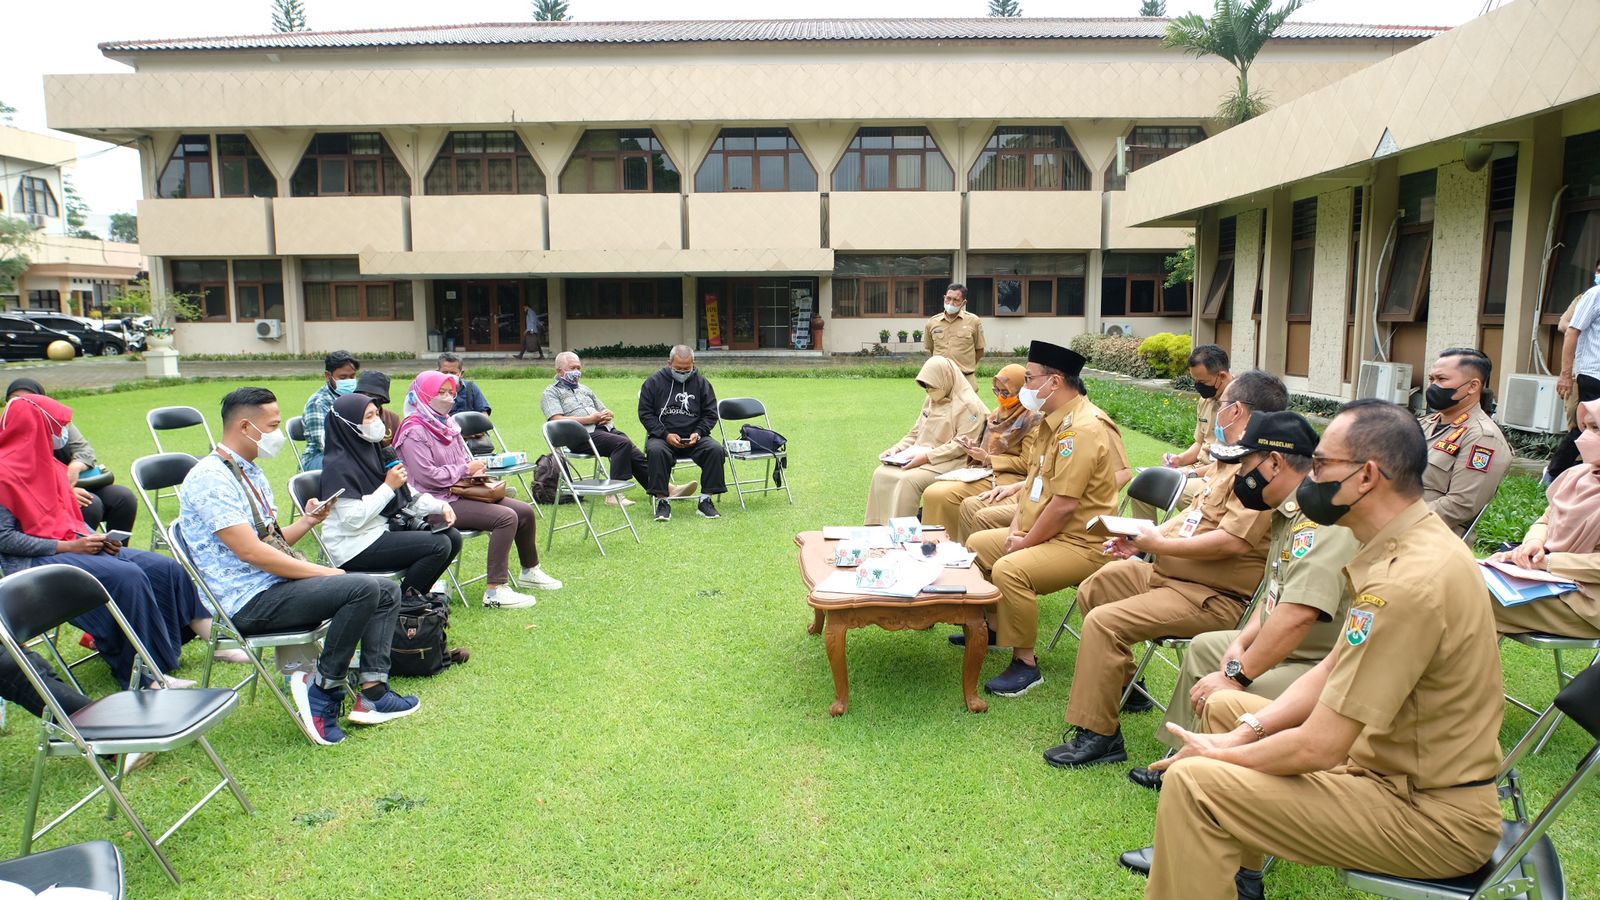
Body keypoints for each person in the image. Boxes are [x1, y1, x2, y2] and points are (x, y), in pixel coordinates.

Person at [1127, 399, 1504, 900]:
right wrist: (1247, 730)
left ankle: (1221, 858)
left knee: (1197, 783)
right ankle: (1240, 877)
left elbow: (1319, 746)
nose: (1311, 475)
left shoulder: (1408, 581)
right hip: (1385, 775)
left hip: (1427, 814)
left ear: (1367, 476)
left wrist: (1224, 753)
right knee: (1224, 706)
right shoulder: (1408, 542)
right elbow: (1331, 667)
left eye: (1323, 464)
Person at [1043, 370, 1285, 769]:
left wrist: (1159, 545)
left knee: (1105, 622)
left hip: (1209, 594)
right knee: (1098, 586)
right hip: (1172, 574)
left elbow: (1233, 541)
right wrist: (1143, 537)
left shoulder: (1258, 471)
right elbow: (1193, 514)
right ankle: (1125, 684)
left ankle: (1100, 736)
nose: (1216, 414)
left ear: (1237, 410)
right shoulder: (1229, 461)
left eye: (1222, 407)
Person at [1125, 411, 1358, 792]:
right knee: (1206, 647)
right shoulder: (1287, 512)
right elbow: (1275, 593)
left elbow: (1299, 615)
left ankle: (1209, 775)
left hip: (1316, 661)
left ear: (1275, 462)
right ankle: (1181, 756)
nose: (1238, 477)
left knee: (1223, 692)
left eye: (1245, 464)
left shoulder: (1319, 524)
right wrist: (1241, 640)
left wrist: (1238, 674)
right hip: (1288, 645)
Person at [178, 386, 419, 746]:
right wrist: (328, 572)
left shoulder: (248, 472)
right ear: (246, 427)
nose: (278, 433)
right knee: (363, 586)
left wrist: (307, 522)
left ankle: (373, 690)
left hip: (273, 585)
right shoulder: (211, 478)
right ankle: (323, 689)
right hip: (247, 602)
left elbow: (269, 542)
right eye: (272, 425)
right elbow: (252, 554)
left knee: (384, 588)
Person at [0, 393, 217, 689]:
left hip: (72, 542)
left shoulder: (49, 465)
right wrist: (69, 547)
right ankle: (142, 675)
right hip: (35, 560)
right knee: (125, 577)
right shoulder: (3, 474)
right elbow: (5, 539)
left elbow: (67, 521)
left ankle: (200, 638)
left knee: (162, 567)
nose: (61, 436)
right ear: (35, 428)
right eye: (56, 428)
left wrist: (97, 539)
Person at [962, 342, 1130, 696]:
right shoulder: (1052, 423)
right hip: (1050, 530)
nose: (1024, 386)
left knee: (1011, 568)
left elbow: (1065, 505)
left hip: (1083, 541)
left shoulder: (1081, 429)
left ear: (1054, 382)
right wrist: (1014, 529)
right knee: (979, 544)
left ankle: (1025, 663)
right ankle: (994, 628)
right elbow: (1033, 486)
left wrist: (1025, 542)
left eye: (1030, 378)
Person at [393, 371, 561, 608]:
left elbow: (463, 460)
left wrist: (475, 470)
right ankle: (495, 591)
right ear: (422, 395)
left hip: (460, 492)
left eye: (451, 392)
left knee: (524, 511)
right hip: (434, 503)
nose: (448, 398)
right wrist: (465, 469)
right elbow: (426, 476)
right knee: (505, 517)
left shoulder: (447, 424)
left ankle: (530, 571)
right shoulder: (413, 430)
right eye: (440, 392)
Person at [321, 393, 463, 600]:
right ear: (348, 423)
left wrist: (439, 506)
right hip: (353, 545)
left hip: (381, 530)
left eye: (376, 414)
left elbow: (405, 492)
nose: (377, 421)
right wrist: (388, 486)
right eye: (368, 417)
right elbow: (353, 520)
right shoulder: (338, 466)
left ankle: (414, 598)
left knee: (452, 537)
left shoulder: (372, 450)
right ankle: (405, 604)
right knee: (438, 545)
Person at [1488, 396, 1600, 640]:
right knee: (1463, 582)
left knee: (1472, 599)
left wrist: (1548, 562)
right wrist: (1533, 545)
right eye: (1586, 427)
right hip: (1548, 582)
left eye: (1596, 429)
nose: (1584, 438)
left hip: (1587, 604)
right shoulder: (1579, 475)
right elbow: (1547, 519)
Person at [864, 356, 986, 526]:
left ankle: (902, 532)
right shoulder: (931, 399)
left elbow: (960, 446)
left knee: (908, 481)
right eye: (926, 387)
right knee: (881, 473)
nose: (929, 390)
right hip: (922, 456)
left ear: (946, 378)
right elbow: (916, 432)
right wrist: (896, 450)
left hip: (953, 461)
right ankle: (877, 527)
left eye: (931, 386)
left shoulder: (970, 406)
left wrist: (927, 457)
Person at [542, 351, 674, 508]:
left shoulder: (584, 389)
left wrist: (606, 414)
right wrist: (589, 420)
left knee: (634, 452)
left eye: (579, 367)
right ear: (559, 371)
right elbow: (556, 420)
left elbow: (603, 409)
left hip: (603, 429)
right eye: (572, 368)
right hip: (579, 436)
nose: (577, 371)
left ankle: (663, 488)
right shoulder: (551, 392)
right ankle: (613, 494)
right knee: (621, 443)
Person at [6, 377, 138, 534]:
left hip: (74, 482)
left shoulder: (55, 421)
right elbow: (21, 480)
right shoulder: (8, 433)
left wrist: (75, 466)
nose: (22, 405)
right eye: (15, 401)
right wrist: (63, 493)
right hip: (45, 497)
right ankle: (87, 553)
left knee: (123, 498)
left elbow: (85, 451)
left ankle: (118, 551)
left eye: (29, 399)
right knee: (90, 504)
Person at [920, 364, 1037, 541]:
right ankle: (934, 544)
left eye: (1006, 392)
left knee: (943, 495)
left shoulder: (1032, 420)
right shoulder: (997, 414)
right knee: (933, 492)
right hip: (985, 471)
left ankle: (953, 546)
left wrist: (989, 458)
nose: (1000, 397)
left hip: (1009, 477)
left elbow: (1026, 464)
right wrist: (974, 449)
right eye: (996, 391)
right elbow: (988, 448)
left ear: (1022, 391)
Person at [1128, 345, 1231, 519]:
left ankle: (1174, 541)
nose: (1198, 387)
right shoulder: (1205, 401)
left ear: (1221, 376)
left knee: (1178, 491)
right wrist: (1179, 460)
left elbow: (1231, 465)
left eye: (1202, 382)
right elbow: (1200, 443)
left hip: (1219, 476)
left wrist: (1188, 474)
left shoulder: (1239, 406)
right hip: (1196, 469)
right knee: (1141, 483)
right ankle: (1142, 544)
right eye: (1195, 381)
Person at [1419, 348, 1511, 537]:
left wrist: (1397, 520)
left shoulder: (1483, 438)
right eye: (1431, 379)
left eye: (1441, 379)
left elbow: (1461, 505)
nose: (1433, 386)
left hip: (1432, 539)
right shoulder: (1423, 424)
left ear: (1472, 386)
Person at [638, 345, 727, 522]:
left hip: (694, 437)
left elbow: (710, 414)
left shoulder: (702, 383)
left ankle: (705, 501)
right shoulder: (653, 382)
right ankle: (663, 502)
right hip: (663, 437)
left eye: (687, 369)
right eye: (678, 369)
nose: (683, 372)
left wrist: (699, 433)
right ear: (669, 363)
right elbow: (645, 414)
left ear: (693, 364)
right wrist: (665, 435)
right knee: (656, 451)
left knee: (715, 449)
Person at [1549, 256, 1600, 480]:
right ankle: (1555, 473)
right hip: (1594, 373)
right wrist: (1566, 375)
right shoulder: (1594, 294)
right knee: (1587, 427)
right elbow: (1571, 330)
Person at [300, 350, 360, 471]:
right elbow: (324, 443)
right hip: (320, 457)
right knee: (351, 467)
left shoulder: (359, 397)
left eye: (352, 376)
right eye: (343, 377)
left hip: (354, 453)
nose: (349, 381)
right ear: (328, 376)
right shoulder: (318, 403)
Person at [924, 283, 985, 390]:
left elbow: (979, 350)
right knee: (938, 406)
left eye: (956, 300)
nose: (950, 303)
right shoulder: (932, 322)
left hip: (966, 377)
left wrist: (966, 366)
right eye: (948, 298)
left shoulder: (973, 321)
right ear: (944, 298)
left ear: (964, 302)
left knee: (968, 406)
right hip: (940, 378)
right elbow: (931, 349)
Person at [355, 370, 400, 446]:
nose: (367, 400)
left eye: (373, 397)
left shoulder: (392, 419)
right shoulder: (348, 417)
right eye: (362, 395)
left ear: (383, 399)